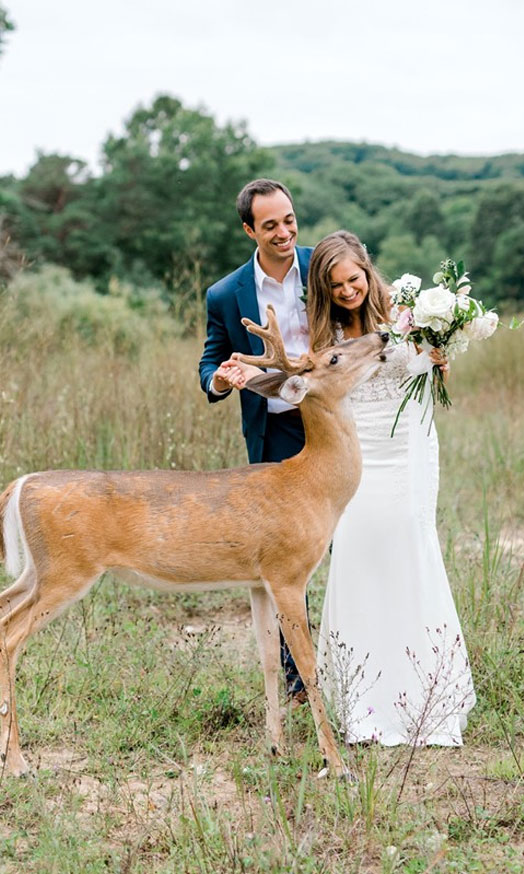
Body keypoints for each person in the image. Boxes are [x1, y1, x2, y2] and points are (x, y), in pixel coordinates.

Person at [308, 230, 476, 746]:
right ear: (324, 290)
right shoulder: (325, 335)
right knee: (357, 556)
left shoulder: (404, 315)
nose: (347, 291)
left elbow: (427, 377)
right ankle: (364, 701)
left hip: (406, 450)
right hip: (356, 459)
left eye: (353, 280)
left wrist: (439, 362)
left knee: (408, 551)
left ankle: (425, 694)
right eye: (335, 286)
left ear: (366, 269)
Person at [198, 179, 312, 701]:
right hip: (277, 432)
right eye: (271, 226)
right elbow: (210, 361)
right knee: (285, 560)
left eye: (289, 220)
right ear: (249, 230)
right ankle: (298, 681)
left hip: (334, 422)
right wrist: (221, 380)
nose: (285, 232)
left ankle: (355, 655)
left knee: (346, 541)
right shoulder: (225, 294)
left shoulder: (323, 266)